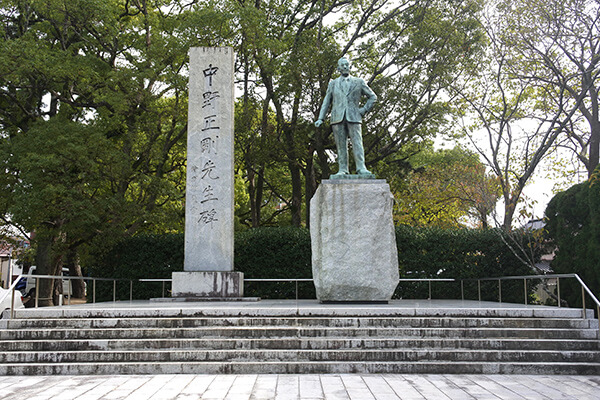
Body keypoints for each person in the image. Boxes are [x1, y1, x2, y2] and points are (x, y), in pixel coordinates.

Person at [315, 57, 377, 177]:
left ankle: (361, 168)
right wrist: (320, 118)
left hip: (354, 116)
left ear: (350, 66)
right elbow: (326, 101)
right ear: (338, 68)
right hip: (337, 117)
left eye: (346, 64)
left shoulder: (359, 82)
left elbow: (373, 97)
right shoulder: (333, 84)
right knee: (340, 145)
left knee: (357, 143)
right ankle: (342, 169)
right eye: (342, 65)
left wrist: (363, 110)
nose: (344, 67)